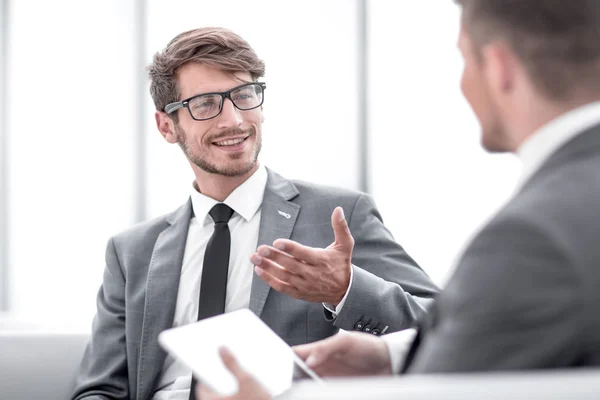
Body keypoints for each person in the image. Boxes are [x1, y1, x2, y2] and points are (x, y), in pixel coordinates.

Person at [196, 0, 600, 398]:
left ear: (499, 68)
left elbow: (450, 387)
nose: (461, 83)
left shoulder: (533, 238)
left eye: (464, 60)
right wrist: (391, 355)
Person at [71, 27, 439, 400]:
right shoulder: (130, 252)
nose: (232, 120)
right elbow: (98, 389)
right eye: (205, 104)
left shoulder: (337, 214)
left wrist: (346, 289)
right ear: (167, 125)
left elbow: (447, 327)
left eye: (244, 96)